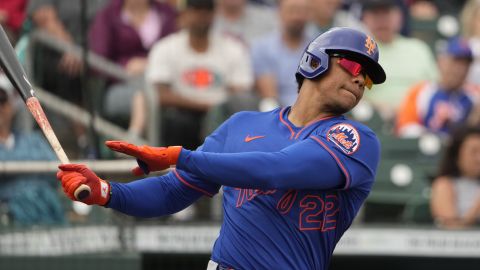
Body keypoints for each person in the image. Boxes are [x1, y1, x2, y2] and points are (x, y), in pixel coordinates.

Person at [57, 27, 386, 269]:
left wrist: (179, 156)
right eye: (354, 66)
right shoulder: (241, 125)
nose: (360, 81)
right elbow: (173, 191)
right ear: (315, 61)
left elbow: (275, 169)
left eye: (367, 78)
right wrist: (104, 191)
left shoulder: (355, 139)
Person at [145, 0, 253, 150]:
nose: (202, 15)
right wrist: (204, 105)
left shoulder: (233, 48)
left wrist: (214, 108)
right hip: (182, 115)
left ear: (214, 13)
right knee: (176, 121)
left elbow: (240, 93)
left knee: (230, 118)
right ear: (185, 13)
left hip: (221, 115)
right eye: (196, 9)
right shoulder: (165, 48)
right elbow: (161, 95)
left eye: (207, 10)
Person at [88, 0, 177, 137]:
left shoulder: (167, 13)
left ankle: (134, 139)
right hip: (121, 83)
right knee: (145, 96)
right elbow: (98, 60)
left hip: (161, 83)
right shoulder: (108, 15)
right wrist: (124, 67)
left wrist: (150, 63)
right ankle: (140, 144)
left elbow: (178, 48)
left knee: (150, 95)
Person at [0, 74, 65, 226]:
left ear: (11, 105)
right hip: (10, 221)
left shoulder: (34, 140)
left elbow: (59, 175)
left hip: (48, 211)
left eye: (1, 100)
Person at [360, 0, 437, 120]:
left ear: (399, 17)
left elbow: (435, 88)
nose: (381, 20)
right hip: (376, 119)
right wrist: (377, 108)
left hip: (420, 118)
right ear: (365, 18)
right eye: (375, 14)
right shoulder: (360, 52)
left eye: (386, 13)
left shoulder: (418, 48)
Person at [396, 37, 475, 138]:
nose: (461, 69)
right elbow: (406, 130)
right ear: (441, 61)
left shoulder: (474, 97)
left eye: (466, 64)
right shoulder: (420, 91)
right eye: (456, 61)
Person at [251, 0, 311, 110]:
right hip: (279, 112)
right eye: (292, 10)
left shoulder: (318, 47)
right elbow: (269, 94)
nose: (297, 16)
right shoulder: (262, 47)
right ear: (279, 12)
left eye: (302, 11)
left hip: (315, 109)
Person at [431, 125, 480, 229]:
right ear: (456, 155)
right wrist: (476, 209)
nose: (478, 159)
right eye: (473, 152)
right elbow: (453, 230)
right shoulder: (444, 185)